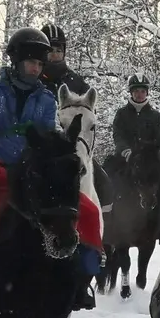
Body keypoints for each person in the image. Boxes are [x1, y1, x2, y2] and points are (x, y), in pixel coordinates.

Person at [0, 26, 102, 309]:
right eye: (31, 62)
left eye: (40, 63)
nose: (36, 68)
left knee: (87, 212)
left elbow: (48, 140)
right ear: (16, 61)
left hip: (33, 180)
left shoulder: (46, 99)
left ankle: (82, 278)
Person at [40, 23, 113, 222]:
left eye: (58, 50)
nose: (54, 55)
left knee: (105, 186)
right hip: (47, 145)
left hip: (77, 145)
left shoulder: (76, 81)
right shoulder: (35, 79)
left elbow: (89, 114)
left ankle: (102, 236)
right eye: (50, 51)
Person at [111, 73, 160, 245]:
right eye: (136, 91)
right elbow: (118, 135)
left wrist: (149, 154)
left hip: (147, 163)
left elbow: (158, 138)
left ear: (147, 93)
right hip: (124, 160)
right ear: (131, 93)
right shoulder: (122, 114)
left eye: (142, 91)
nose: (139, 94)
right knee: (106, 183)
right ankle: (107, 226)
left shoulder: (154, 115)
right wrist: (126, 151)